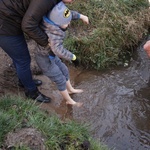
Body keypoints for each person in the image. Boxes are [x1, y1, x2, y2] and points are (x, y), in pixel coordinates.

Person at [0, 0, 74, 103]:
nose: (73, 1)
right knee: (23, 60)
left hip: (10, 15)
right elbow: (28, 25)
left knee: (18, 57)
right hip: (4, 24)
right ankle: (31, 91)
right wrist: (46, 42)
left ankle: (24, 81)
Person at [35, 2, 89, 106]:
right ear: (57, 24)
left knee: (64, 69)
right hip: (45, 60)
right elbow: (58, 50)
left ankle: (70, 89)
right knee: (59, 79)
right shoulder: (53, 34)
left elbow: (69, 15)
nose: (68, 24)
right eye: (66, 23)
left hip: (51, 56)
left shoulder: (54, 18)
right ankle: (69, 100)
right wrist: (73, 57)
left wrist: (82, 16)